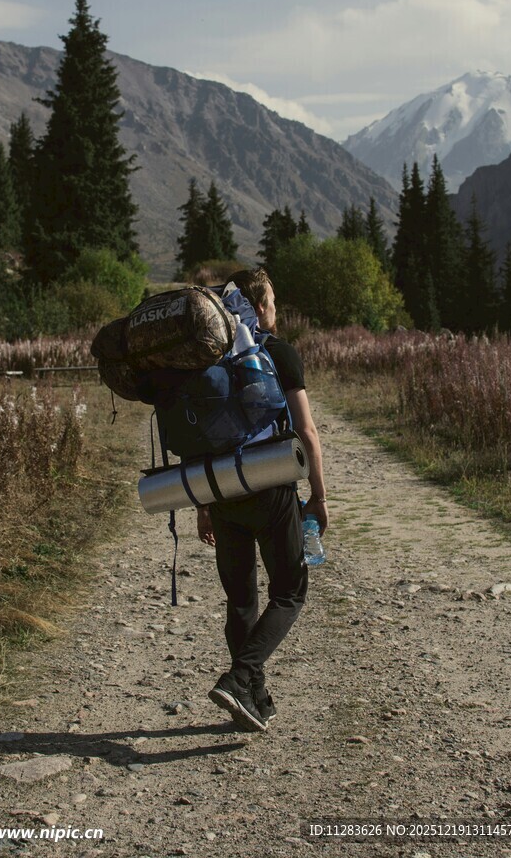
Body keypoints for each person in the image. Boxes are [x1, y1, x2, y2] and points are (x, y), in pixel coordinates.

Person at [198, 267, 329, 731]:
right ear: (256, 308)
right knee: (290, 591)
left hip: (222, 491)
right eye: (271, 301)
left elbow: (201, 439)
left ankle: (252, 698)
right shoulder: (280, 353)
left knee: (240, 601)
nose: (276, 309)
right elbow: (307, 432)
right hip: (271, 488)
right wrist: (319, 496)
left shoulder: (208, 360)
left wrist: (203, 505)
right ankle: (241, 679)